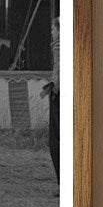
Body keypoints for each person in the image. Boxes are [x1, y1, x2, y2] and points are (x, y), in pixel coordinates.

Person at [47, 15, 60, 183]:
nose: (51, 32)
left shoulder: (58, 46)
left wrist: (55, 86)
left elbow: (59, 68)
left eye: (53, 29)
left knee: (56, 137)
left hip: (59, 91)